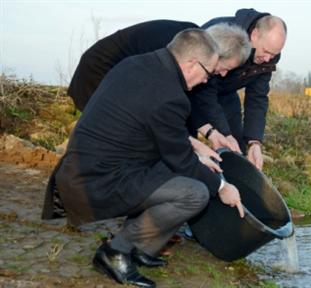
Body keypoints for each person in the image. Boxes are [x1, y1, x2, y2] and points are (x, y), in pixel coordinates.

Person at [43, 29, 244, 287]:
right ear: (192, 63)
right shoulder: (170, 95)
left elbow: (155, 129)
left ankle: (143, 250)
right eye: (208, 73)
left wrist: (194, 155)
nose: (206, 81)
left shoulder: (138, 64)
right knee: (195, 192)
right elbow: (180, 161)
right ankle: (115, 252)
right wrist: (223, 187)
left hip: (84, 165)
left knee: (187, 174)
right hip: (97, 180)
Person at [68, 20, 250, 112]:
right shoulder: (183, 45)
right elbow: (161, 105)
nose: (224, 74)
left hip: (122, 76)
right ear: (215, 52)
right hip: (99, 71)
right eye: (225, 67)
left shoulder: (195, 50)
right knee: (114, 128)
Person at [190, 8, 287, 170]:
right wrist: (222, 133)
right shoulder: (225, 35)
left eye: (274, 54)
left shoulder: (268, 56)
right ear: (255, 34)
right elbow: (206, 94)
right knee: (188, 138)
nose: (268, 58)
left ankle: (235, 182)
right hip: (196, 88)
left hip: (227, 93)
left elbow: (257, 98)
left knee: (236, 143)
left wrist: (254, 142)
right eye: (267, 51)